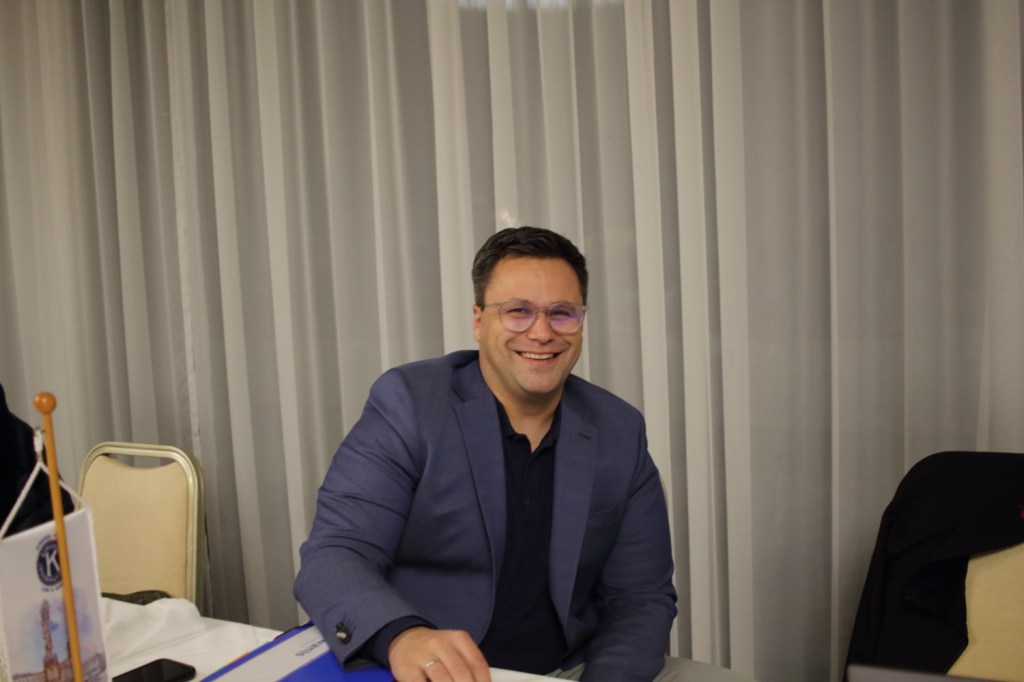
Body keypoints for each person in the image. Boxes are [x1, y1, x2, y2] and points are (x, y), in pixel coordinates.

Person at [295, 227, 749, 681]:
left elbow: (640, 597)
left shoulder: (619, 430)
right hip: (433, 666)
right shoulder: (412, 403)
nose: (542, 332)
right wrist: (402, 636)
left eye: (562, 313)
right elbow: (336, 552)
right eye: (518, 312)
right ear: (479, 321)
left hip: (569, 669)